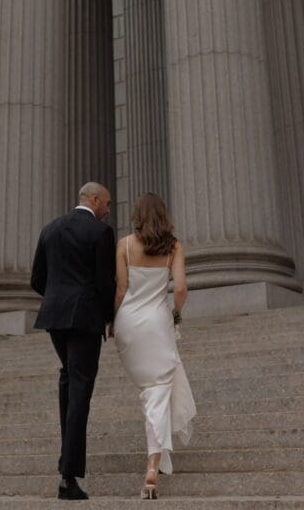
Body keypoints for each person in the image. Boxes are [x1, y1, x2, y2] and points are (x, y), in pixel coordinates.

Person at [31, 181, 116, 501]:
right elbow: (105, 283)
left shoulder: (50, 228)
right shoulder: (100, 232)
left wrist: (57, 298)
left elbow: (36, 278)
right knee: (80, 388)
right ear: (93, 200)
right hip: (85, 319)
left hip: (54, 316)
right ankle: (69, 476)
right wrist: (110, 317)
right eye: (106, 203)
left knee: (69, 379)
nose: (108, 209)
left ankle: (66, 460)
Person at [113, 192, 196, 499]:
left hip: (128, 325)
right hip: (158, 324)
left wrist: (112, 321)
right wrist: (175, 313)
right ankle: (152, 465)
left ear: (137, 215)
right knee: (157, 392)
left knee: (151, 393)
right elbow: (182, 288)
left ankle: (160, 458)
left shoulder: (123, 245)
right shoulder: (174, 246)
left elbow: (121, 289)